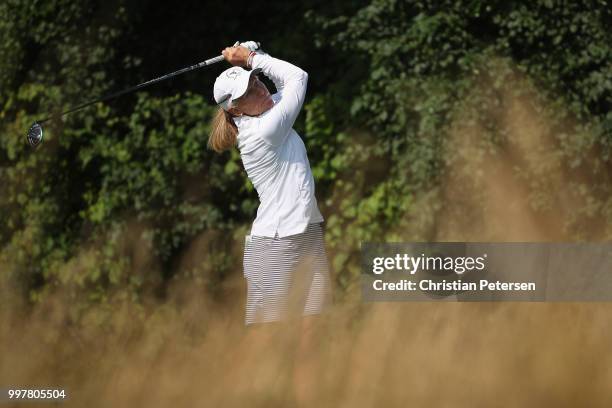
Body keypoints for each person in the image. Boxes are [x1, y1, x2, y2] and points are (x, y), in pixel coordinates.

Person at [208, 42, 332, 404]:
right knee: (266, 348)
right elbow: (299, 76)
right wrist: (252, 59)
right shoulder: (262, 131)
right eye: (248, 92)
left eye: (256, 82)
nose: (260, 90)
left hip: (306, 235)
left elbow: (282, 83)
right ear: (235, 109)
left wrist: (251, 52)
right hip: (275, 246)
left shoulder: (267, 110)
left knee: (312, 341)